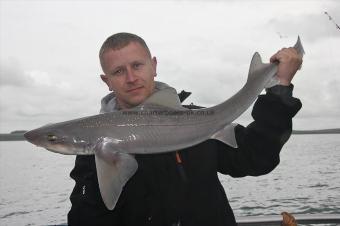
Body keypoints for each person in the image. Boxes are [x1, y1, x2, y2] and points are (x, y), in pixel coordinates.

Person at [67, 32, 302, 226]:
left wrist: (280, 90)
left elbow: (256, 158)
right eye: (118, 71)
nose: (131, 78)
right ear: (106, 80)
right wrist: (108, 163)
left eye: (137, 65)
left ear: (154, 66)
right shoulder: (95, 146)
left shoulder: (199, 120)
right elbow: (85, 219)